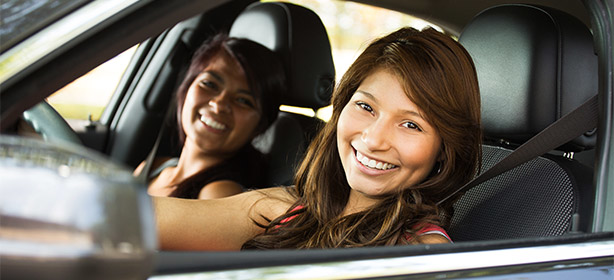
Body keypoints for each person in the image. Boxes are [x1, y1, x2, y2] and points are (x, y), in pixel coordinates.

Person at [154, 27, 482, 250]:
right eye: (366, 106)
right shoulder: (283, 210)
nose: (373, 139)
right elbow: (141, 219)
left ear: (443, 150)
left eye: (411, 125)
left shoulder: (423, 253)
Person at [135, 34, 285, 199]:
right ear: (186, 88)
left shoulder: (219, 195)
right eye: (209, 84)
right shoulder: (154, 167)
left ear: (260, 126)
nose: (219, 104)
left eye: (243, 100)